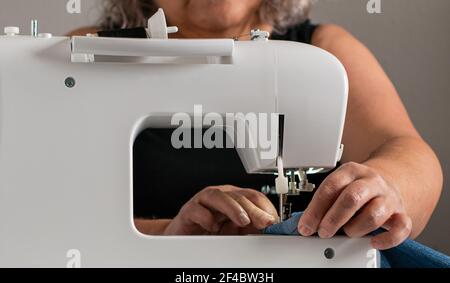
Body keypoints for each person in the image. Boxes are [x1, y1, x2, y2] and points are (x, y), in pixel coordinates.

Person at [70, 0, 443, 251]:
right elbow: (40, 212)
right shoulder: (80, 54)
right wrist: (164, 235)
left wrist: (382, 189)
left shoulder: (325, 48)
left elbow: (407, 152)